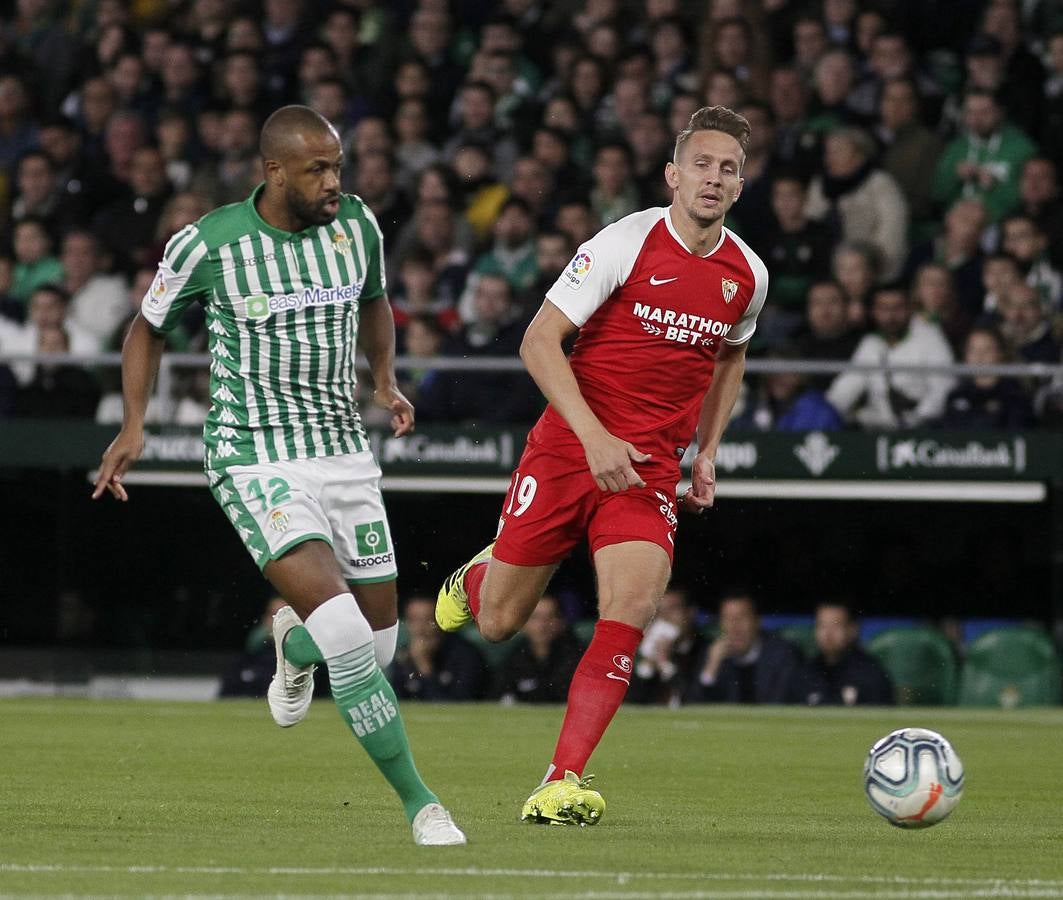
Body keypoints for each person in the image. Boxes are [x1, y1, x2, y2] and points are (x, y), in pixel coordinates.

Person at [91, 105, 465, 846]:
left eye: (337, 166)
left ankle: (292, 646)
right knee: (352, 644)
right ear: (273, 172)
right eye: (316, 169)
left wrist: (385, 378)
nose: (334, 181)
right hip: (253, 454)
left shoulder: (357, 224)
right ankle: (422, 804)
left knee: (379, 644)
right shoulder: (210, 243)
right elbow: (147, 327)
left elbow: (374, 302)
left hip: (342, 450)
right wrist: (134, 424)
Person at [435, 106, 768, 825]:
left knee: (631, 609)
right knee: (497, 625)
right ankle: (481, 572)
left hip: (646, 471)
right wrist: (592, 438)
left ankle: (561, 779)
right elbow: (537, 342)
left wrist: (705, 451)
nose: (714, 179)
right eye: (702, 165)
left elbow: (731, 354)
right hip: (567, 449)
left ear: (741, 186)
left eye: (729, 169)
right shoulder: (624, 241)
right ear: (673, 175)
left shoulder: (747, 274)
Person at [827, 286, 955, 429]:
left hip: (923, 429)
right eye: (883, 308)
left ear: (910, 309)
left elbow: (944, 389)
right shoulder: (870, 343)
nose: (890, 315)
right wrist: (827, 412)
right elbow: (844, 390)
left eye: (898, 307)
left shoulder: (930, 337)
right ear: (873, 312)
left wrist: (916, 418)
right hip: (876, 430)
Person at [686, 589, 804, 704]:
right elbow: (695, 706)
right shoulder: (711, 654)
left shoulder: (782, 655)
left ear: (757, 621)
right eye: (728, 618)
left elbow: (784, 701)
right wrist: (710, 669)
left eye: (742, 617)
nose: (735, 626)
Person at [389, 595, 488, 701]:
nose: (420, 628)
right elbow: (398, 703)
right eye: (414, 620)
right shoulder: (403, 656)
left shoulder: (464, 655)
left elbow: (457, 707)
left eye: (428, 620)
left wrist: (424, 666)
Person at [799, 602, 894, 706]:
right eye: (821, 625)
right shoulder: (806, 671)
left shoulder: (870, 674)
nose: (827, 634)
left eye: (835, 626)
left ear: (853, 629)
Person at [495, 595, 585, 704]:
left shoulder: (579, 658)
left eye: (550, 617)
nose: (542, 625)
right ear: (523, 624)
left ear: (562, 622)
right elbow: (499, 697)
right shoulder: (514, 658)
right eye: (535, 617)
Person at [628, 585, 707, 707]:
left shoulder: (704, 649)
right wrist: (648, 664)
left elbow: (696, 699)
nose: (665, 619)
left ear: (690, 613)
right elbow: (631, 704)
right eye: (660, 612)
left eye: (673, 610)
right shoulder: (639, 652)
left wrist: (665, 664)